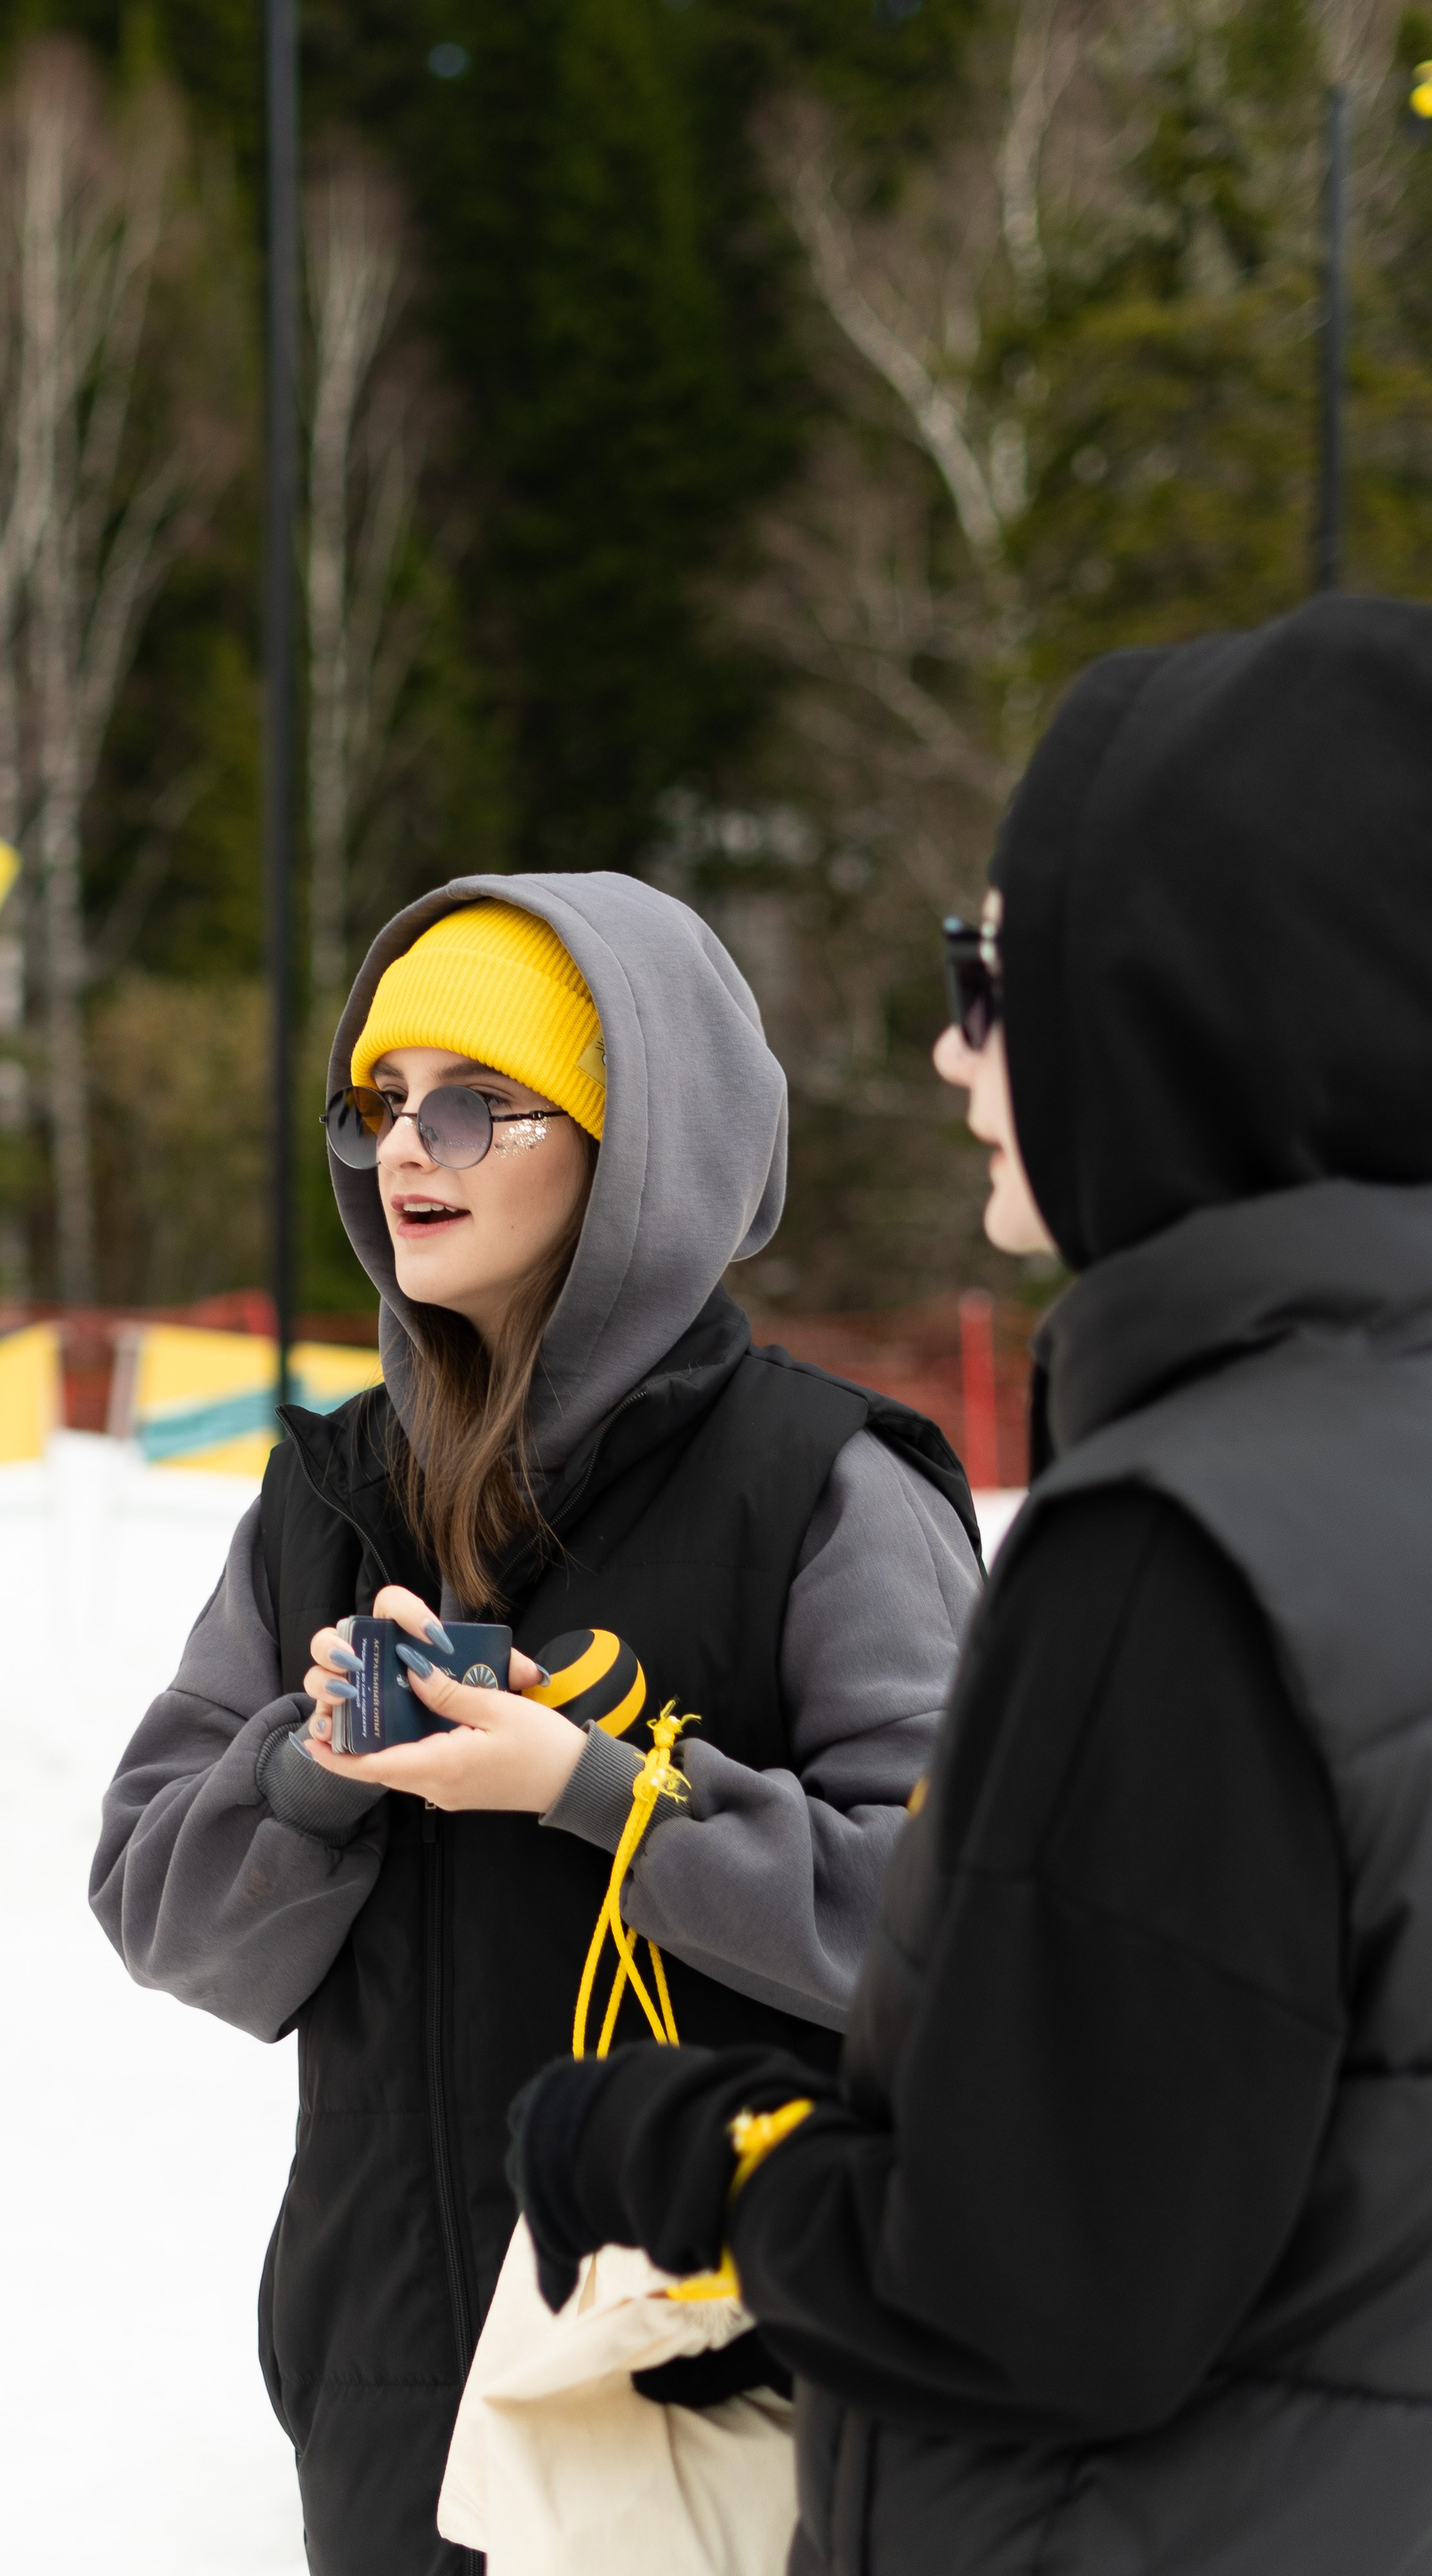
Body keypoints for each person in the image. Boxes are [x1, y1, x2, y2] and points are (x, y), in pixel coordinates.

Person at [508, 596, 1432, 2575]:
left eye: (987, 973)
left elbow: (1021, 2285)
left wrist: (691, 2154)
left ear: (1170, 1006)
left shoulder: (1185, 1555)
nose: (947, 1046)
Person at [90, 877, 981, 2576]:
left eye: (473, 1104)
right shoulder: (321, 1502)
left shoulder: (826, 1490)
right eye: (378, 1104)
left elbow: (953, 1932)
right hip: (392, 2408)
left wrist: (601, 1792)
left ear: (634, 1143)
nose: (407, 1149)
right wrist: (307, 1770)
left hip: (729, 2382)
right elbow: (159, 1910)